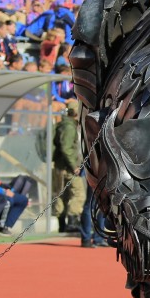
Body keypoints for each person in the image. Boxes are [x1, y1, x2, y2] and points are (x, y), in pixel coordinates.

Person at [53, 98, 85, 232]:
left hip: (60, 166)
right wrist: (74, 166)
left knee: (62, 195)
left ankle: (62, 224)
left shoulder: (63, 125)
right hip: (68, 168)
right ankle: (72, 221)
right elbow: (66, 148)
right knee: (79, 194)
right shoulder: (69, 127)